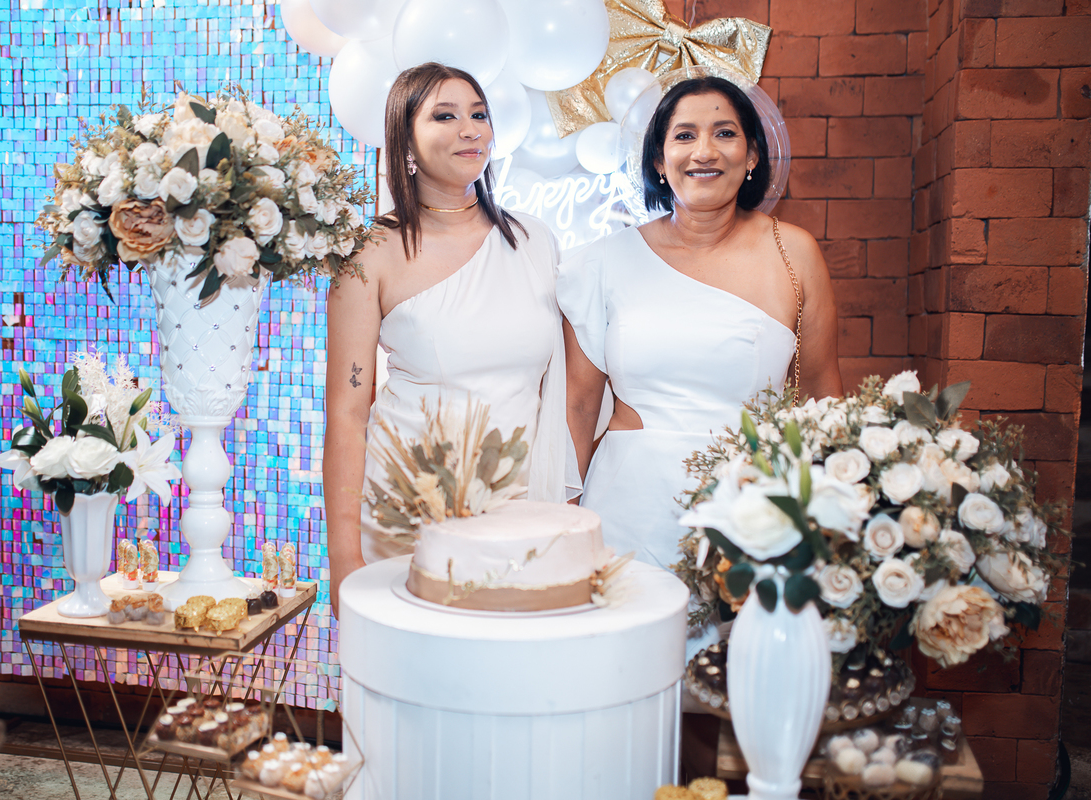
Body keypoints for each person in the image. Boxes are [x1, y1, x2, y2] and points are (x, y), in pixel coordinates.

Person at [560, 75, 843, 580]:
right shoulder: (603, 263)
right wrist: (563, 520)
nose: (704, 152)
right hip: (628, 510)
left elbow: (820, 394)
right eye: (685, 135)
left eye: (725, 133)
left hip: (752, 512)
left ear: (752, 155)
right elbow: (579, 406)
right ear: (658, 159)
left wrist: (827, 519)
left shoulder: (795, 253)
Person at [323, 63, 567, 616]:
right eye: (445, 116)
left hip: (520, 506)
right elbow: (347, 414)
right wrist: (344, 558)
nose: (470, 129)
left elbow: (563, 389)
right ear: (405, 141)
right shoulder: (369, 252)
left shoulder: (534, 241)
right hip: (407, 508)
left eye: (479, 114)